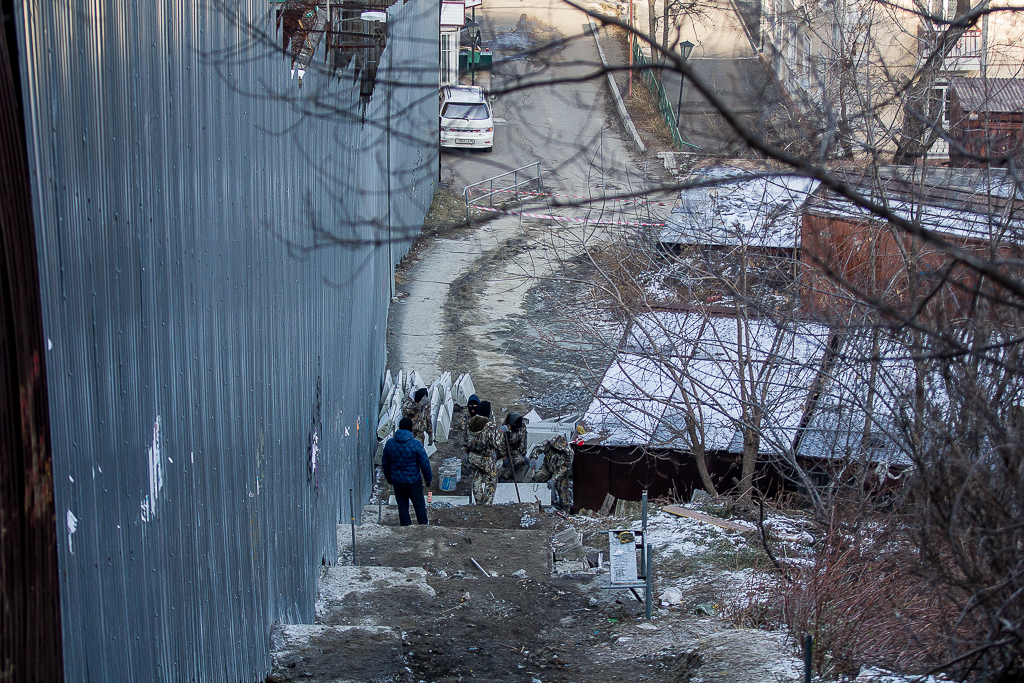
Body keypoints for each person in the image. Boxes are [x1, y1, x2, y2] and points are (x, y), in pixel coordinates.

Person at [382, 417, 433, 525]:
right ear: (410, 429)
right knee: (419, 506)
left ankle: (406, 529)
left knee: (402, 506)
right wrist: (428, 478)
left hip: (397, 481)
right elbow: (424, 463)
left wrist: (389, 478)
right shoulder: (416, 444)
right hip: (413, 481)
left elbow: (385, 463)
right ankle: (423, 527)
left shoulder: (390, 443)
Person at [465, 401, 499, 505]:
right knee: (491, 481)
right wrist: (501, 432)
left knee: (476, 479)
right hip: (485, 459)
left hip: (473, 456)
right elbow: (495, 442)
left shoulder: (471, 422)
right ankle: (486, 504)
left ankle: (478, 502)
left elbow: (465, 438)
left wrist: (465, 452)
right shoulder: (489, 426)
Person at [529, 434, 573, 511]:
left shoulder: (569, 454)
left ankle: (564, 511)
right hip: (547, 468)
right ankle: (531, 501)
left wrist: (553, 479)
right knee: (535, 480)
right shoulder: (548, 444)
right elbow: (537, 448)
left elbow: (563, 468)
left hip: (560, 474)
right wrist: (533, 458)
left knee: (564, 497)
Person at [497, 412, 528, 481]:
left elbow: (523, 442)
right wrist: (504, 456)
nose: (517, 428)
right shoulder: (504, 427)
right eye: (515, 426)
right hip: (501, 449)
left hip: (513, 450)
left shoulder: (522, 427)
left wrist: (523, 454)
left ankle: (504, 476)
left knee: (519, 460)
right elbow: (498, 443)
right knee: (490, 458)